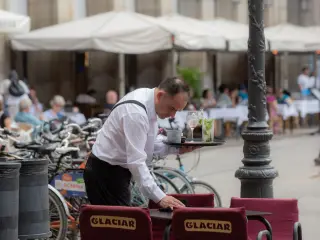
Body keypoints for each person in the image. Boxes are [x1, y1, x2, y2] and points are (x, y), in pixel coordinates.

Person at [84, 77, 198, 208]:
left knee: (123, 224)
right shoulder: (136, 112)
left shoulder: (149, 101)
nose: (173, 115)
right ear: (161, 95)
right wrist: (160, 197)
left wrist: (177, 148)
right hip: (105, 173)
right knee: (119, 225)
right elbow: (136, 161)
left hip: (115, 171)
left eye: (177, 111)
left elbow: (148, 145)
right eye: (172, 108)